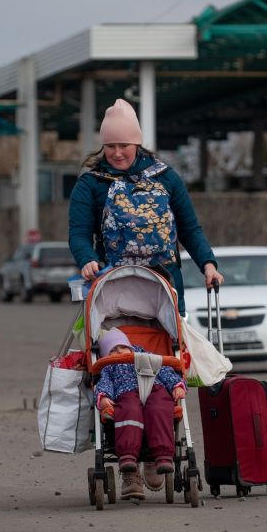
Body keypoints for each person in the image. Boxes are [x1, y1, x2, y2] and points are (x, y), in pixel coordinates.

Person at [68, 98, 224, 498]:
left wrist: (207, 263)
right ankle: (129, 463)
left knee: (166, 374)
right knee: (116, 380)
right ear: (102, 146)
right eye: (111, 146)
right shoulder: (91, 184)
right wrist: (86, 260)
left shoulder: (166, 178)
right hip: (112, 295)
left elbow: (189, 227)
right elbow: (79, 232)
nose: (118, 153)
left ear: (138, 143)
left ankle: (162, 453)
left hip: (163, 292)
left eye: (125, 145)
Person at [93, 329, 186, 501]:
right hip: (126, 393)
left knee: (160, 408)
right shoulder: (108, 365)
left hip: (154, 388)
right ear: (106, 354)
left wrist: (176, 385)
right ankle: (128, 456)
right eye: (112, 350)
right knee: (129, 410)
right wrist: (104, 396)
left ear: (130, 347)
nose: (119, 352)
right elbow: (103, 383)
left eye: (122, 347)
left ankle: (163, 455)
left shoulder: (145, 355)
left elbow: (165, 371)